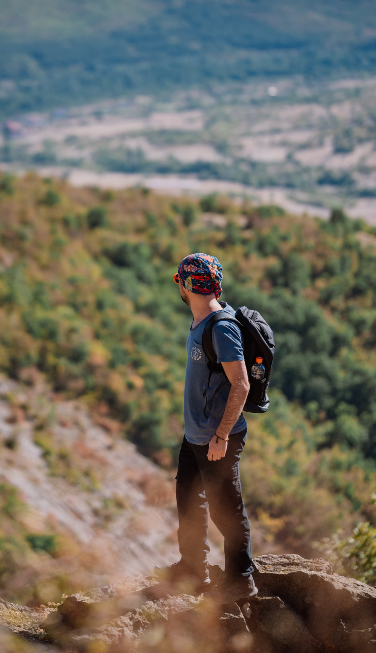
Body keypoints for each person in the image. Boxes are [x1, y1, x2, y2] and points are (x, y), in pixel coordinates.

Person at [155, 252, 257, 603]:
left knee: (225, 507)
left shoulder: (221, 327)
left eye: (180, 282)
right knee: (188, 499)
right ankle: (193, 569)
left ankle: (240, 582)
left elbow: (241, 384)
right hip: (196, 434)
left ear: (186, 285)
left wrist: (221, 436)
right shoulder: (201, 321)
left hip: (217, 437)